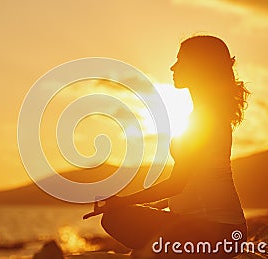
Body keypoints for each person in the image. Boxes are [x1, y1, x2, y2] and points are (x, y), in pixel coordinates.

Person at [84, 35, 250, 258]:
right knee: (128, 226)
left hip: (219, 233)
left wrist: (121, 202)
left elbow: (177, 183)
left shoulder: (206, 119)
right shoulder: (204, 115)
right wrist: (154, 207)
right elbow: (193, 186)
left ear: (199, 67)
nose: (173, 67)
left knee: (116, 218)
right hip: (219, 231)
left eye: (180, 61)